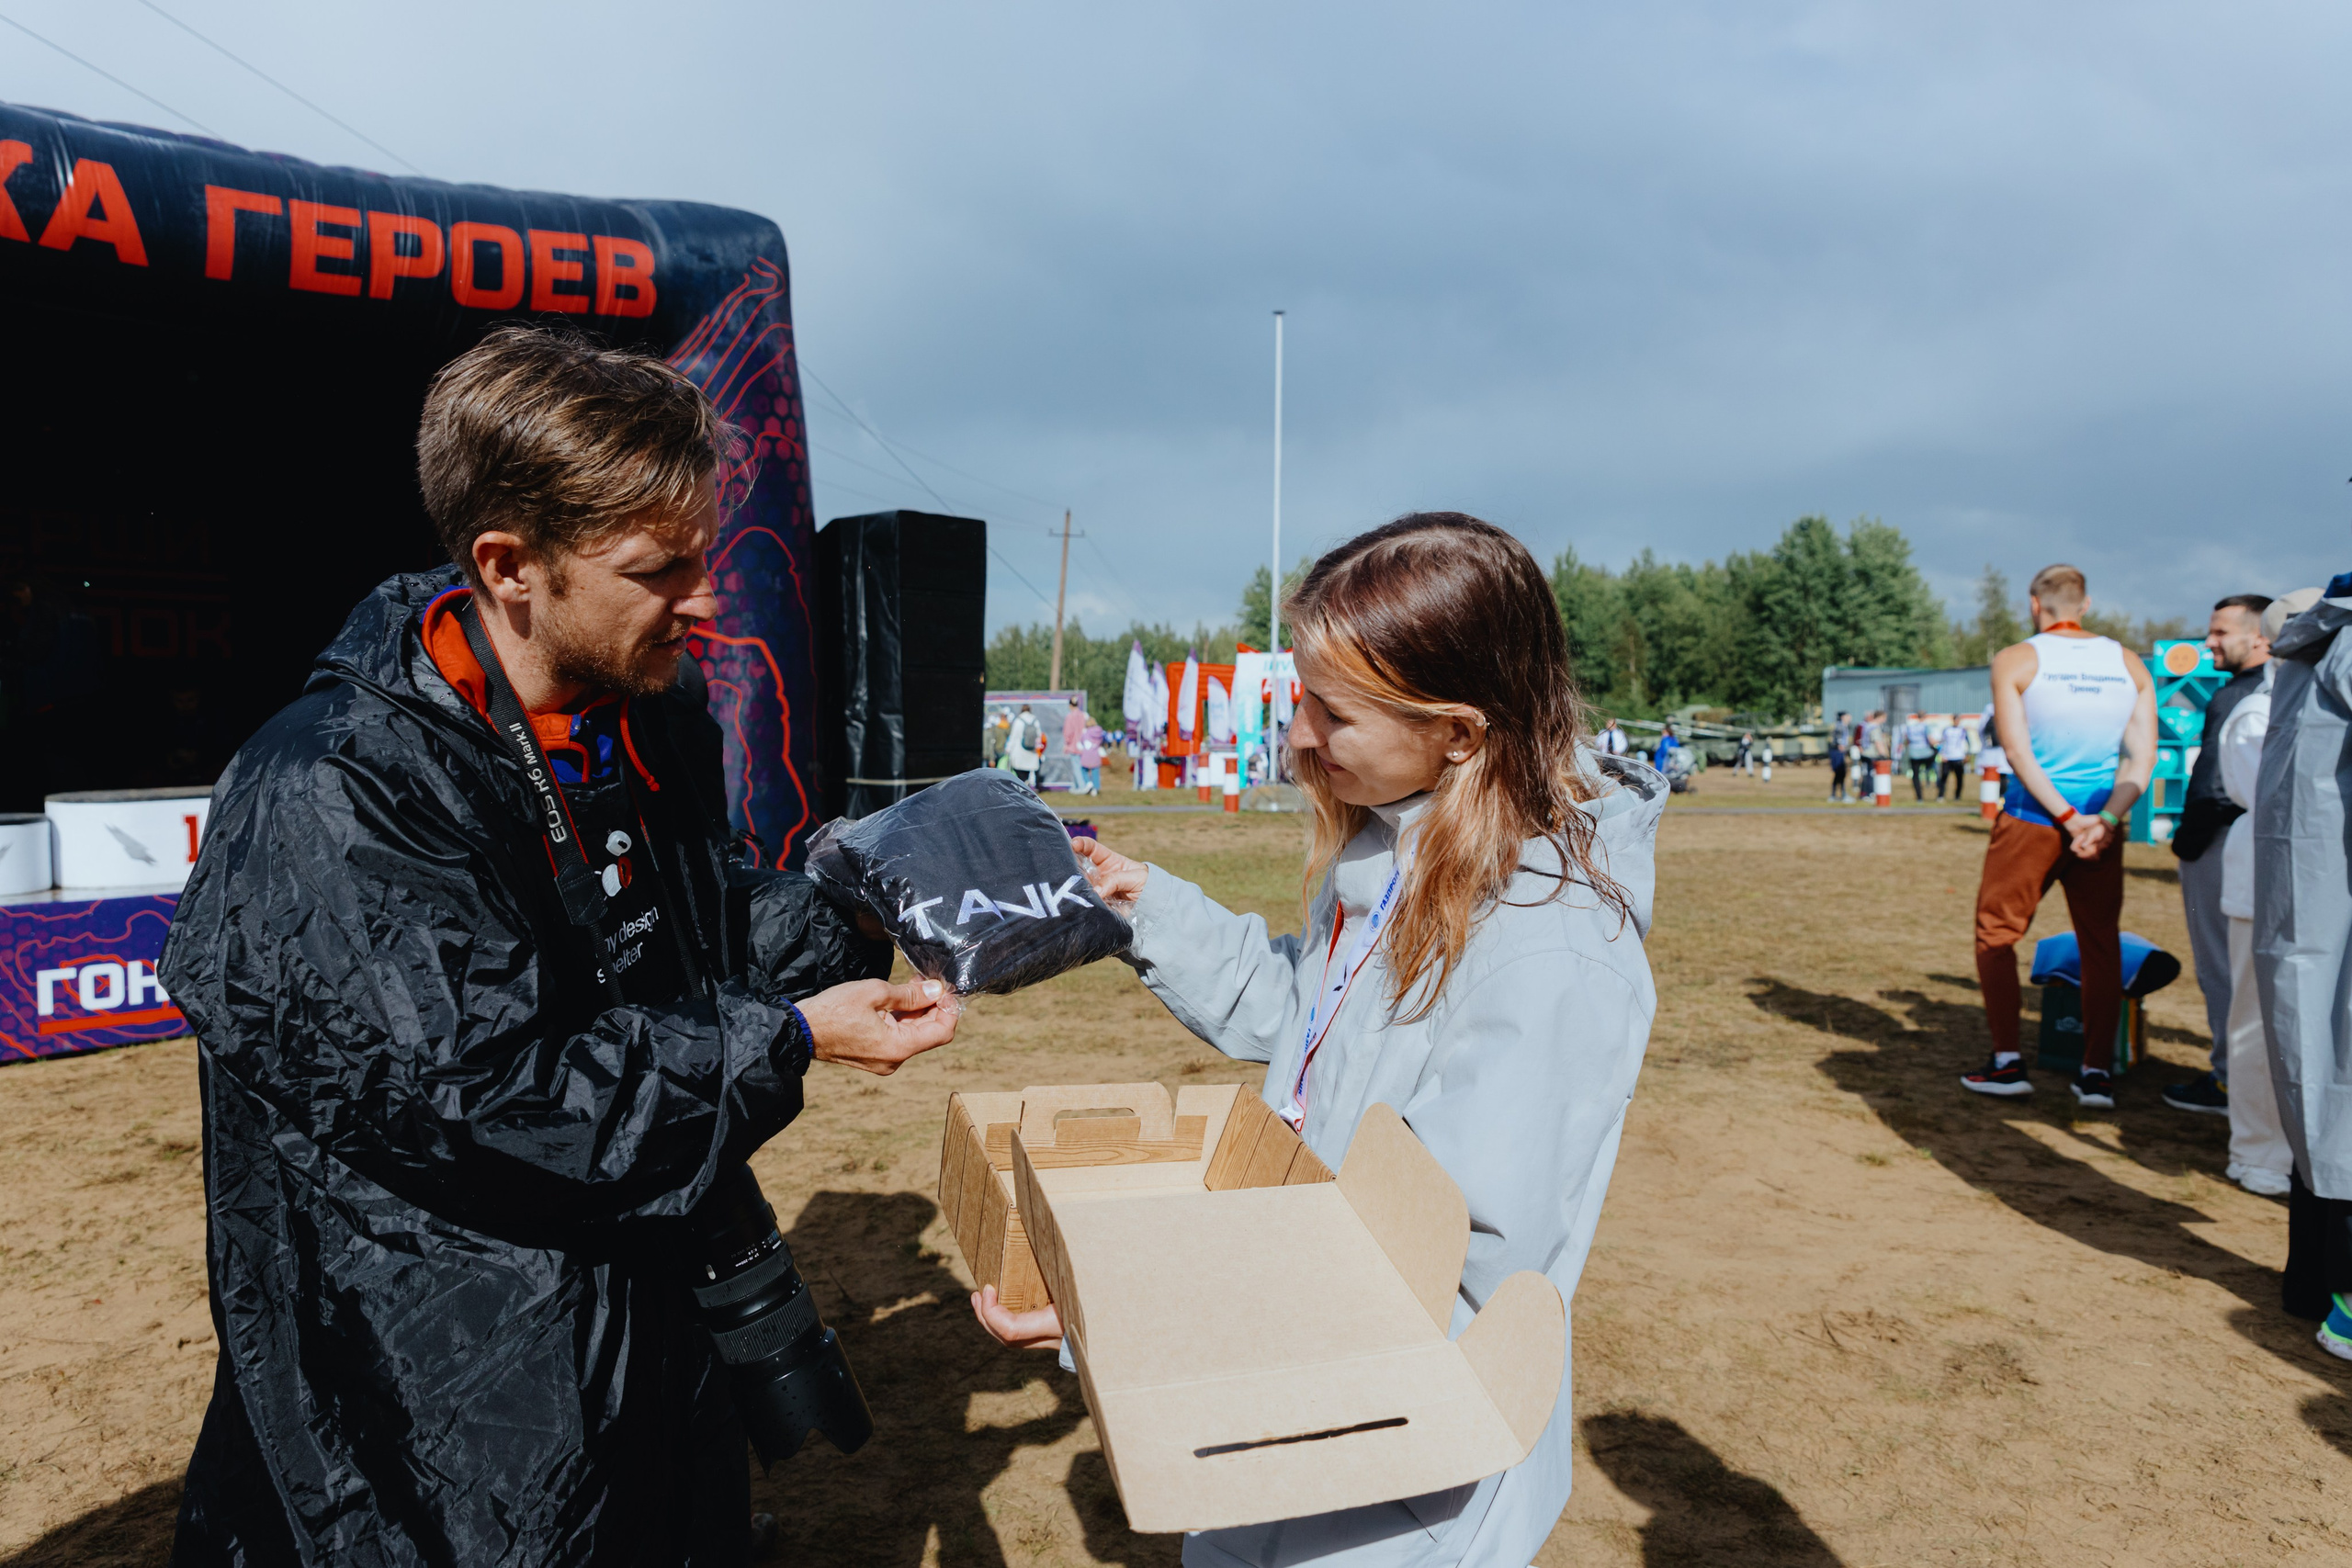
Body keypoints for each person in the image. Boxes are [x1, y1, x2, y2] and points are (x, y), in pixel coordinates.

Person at [157, 326, 963, 1565]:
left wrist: (856, 899)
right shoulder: (333, 792)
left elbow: (695, 933)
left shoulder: (643, 706)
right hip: (448, 1406)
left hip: (641, 1337)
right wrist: (791, 1035)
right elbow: (490, 1098)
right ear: (508, 564)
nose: (708, 599)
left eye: (705, 555)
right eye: (660, 568)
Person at [971, 513, 1661, 1566]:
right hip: (1285, 1414)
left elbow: (1448, 1262)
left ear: (1459, 732)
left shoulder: (1549, 956)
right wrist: (1142, 904)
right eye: (1300, 699)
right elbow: (1303, 1021)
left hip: (1393, 1471)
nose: (1295, 737)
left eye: (1329, 714)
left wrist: (1121, 1326)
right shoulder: (1399, 859)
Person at [1961, 563, 2155, 1108]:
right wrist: (2106, 821)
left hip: (2033, 818)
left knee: (1996, 936)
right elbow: (2143, 759)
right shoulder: (2128, 662)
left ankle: (2007, 1061)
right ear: (2085, 605)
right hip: (2100, 822)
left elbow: (2017, 751)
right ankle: (2096, 1071)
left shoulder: (2016, 658)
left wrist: (2066, 819)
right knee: (2100, 945)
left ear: (2033, 604)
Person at [2254, 581, 2352, 1352]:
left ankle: (2315, 1281)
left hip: (2305, 915)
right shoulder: (2336, 649)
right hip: (2331, 908)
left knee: (2313, 1074)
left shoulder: (2304, 652)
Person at [2159, 595, 2275, 1117]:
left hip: (2225, 842)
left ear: (2260, 637)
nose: (2209, 643)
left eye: (2220, 632)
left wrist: (2188, 839)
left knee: (2223, 966)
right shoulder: (2288, 691)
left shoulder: (2239, 699)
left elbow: (2214, 786)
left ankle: (2230, 1081)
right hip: (2265, 848)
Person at [2213, 595, 2311, 1194]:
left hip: (2316, 890)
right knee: (2255, 1021)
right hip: (2264, 884)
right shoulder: (2257, 714)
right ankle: (2256, 1153)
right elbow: (2277, 803)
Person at [1007, 703, 1043, 790]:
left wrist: (1008, 748)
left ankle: (1024, 784)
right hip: (1032, 751)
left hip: (1020, 750)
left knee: (1019, 769)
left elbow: (1014, 736)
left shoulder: (1018, 720)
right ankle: (1028, 784)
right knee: (1029, 768)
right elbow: (1039, 735)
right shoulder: (1035, 720)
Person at [1936, 716, 1970, 800]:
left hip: (1958, 757)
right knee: (1944, 777)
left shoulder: (1963, 730)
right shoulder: (1947, 730)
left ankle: (1957, 796)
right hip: (1947, 757)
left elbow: (1968, 743)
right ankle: (1941, 795)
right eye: (1955, 720)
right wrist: (1941, 754)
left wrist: (1967, 755)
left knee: (1959, 778)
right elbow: (1941, 742)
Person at [1827, 728, 1849, 802]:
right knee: (1840, 774)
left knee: (1840, 775)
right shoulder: (1840, 727)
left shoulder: (1840, 726)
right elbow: (1840, 745)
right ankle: (1839, 795)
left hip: (1837, 753)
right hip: (1837, 754)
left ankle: (1837, 795)